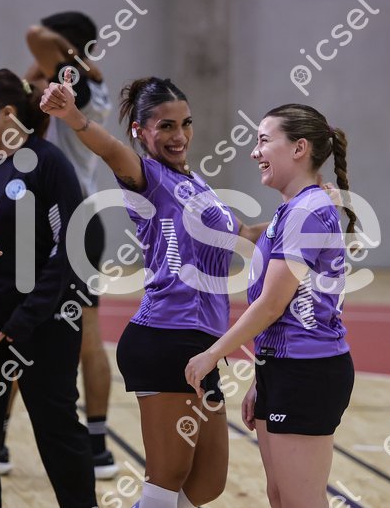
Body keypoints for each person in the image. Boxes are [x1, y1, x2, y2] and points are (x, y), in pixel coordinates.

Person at [41, 72, 267, 508]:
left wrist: (301, 211)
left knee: (207, 482)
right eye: (166, 126)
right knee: (167, 479)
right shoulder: (148, 177)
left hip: (203, 345)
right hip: (166, 337)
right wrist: (72, 116)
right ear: (140, 131)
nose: (179, 135)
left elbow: (243, 235)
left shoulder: (196, 184)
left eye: (185, 123)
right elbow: (110, 150)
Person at [185, 104, 356, 508]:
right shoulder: (292, 209)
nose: (254, 151)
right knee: (280, 496)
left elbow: (272, 305)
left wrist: (212, 354)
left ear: (298, 148)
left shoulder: (306, 210)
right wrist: (262, 378)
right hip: (282, 367)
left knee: (301, 501)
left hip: (308, 371)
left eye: (263, 140)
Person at [0, 68, 97, 508]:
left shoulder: (48, 163)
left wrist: (28, 316)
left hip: (41, 324)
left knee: (57, 430)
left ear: (7, 112)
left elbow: (70, 247)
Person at [25, 10, 117, 479]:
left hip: (65, 220)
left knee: (26, 329)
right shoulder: (87, 85)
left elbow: (34, 35)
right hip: (77, 219)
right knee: (83, 334)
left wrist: (69, 57)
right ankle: (96, 444)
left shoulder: (73, 81)